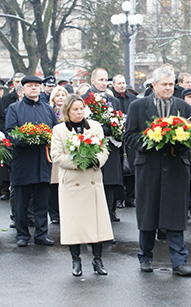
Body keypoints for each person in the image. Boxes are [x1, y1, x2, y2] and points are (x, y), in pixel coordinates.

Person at [124, 67, 191, 276]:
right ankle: (145, 257)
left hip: (175, 168)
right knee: (148, 215)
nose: (168, 88)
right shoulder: (138, 106)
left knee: (174, 216)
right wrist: (152, 139)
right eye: (164, 84)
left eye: (171, 84)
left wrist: (177, 142)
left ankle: (179, 261)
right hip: (149, 168)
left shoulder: (184, 107)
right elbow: (129, 136)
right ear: (154, 86)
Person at [51, 94, 113, 276]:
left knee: (96, 224)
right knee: (74, 224)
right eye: (75, 110)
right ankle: (76, 260)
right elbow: (56, 155)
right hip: (72, 182)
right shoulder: (59, 130)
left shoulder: (94, 126)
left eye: (81, 109)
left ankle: (97, 260)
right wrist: (77, 162)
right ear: (67, 111)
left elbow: (103, 149)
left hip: (92, 179)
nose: (79, 113)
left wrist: (96, 161)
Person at [5, 75, 58, 247]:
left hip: (42, 160)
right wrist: (29, 138)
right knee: (21, 202)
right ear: (23, 89)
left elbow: (55, 132)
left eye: (37, 86)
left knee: (42, 201)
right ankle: (22, 234)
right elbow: (10, 133)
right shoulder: (14, 109)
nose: (34, 88)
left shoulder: (48, 109)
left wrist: (47, 138)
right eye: (30, 86)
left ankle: (41, 233)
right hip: (23, 161)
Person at [83, 68, 123, 223]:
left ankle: (108, 218)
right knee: (92, 186)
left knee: (109, 186)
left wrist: (115, 129)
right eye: (100, 80)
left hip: (110, 148)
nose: (104, 83)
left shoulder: (114, 101)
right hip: (91, 148)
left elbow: (119, 123)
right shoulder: (84, 99)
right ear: (92, 81)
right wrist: (101, 129)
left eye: (106, 80)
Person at [112, 74, 137, 209]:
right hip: (117, 137)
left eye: (124, 83)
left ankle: (130, 197)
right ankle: (119, 198)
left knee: (131, 168)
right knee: (119, 168)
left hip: (130, 136)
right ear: (114, 85)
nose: (122, 85)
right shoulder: (112, 99)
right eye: (119, 83)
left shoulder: (132, 99)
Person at [48, 85, 69, 224]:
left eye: (63, 95)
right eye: (58, 95)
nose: (61, 97)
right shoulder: (49, 111)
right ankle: (54, 213)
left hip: (68, 149)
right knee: (53, 183)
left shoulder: (71, 112)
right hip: (54, 149)